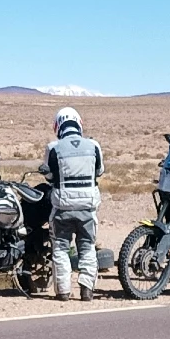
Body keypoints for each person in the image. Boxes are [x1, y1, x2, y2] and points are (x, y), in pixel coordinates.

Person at [41, 107, 104, 301]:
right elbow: (99, 171)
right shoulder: (93, 145)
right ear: (79, 123)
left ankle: (63, 291)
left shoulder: (53, 148)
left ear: (58, 126)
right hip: (87, 208)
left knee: (60, 248)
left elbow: (49, 176)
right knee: (87, 247)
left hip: (63, 207)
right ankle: (87, 290)